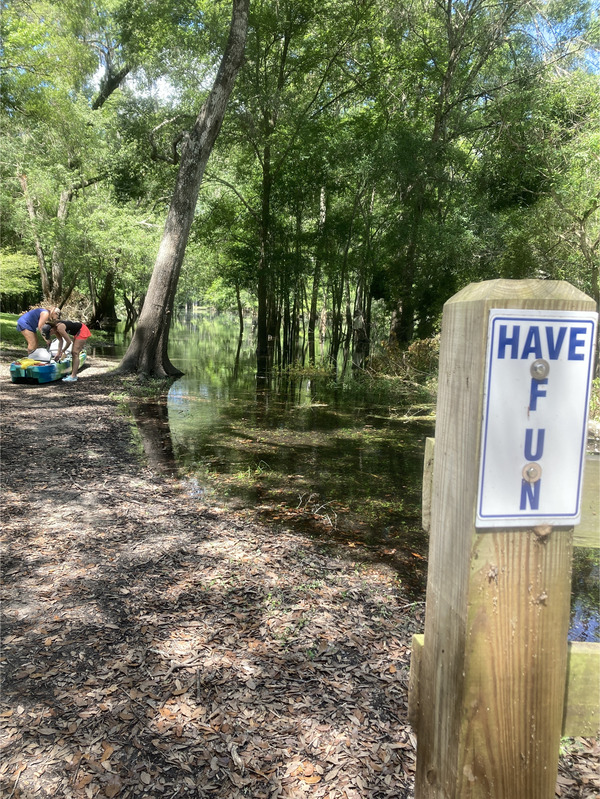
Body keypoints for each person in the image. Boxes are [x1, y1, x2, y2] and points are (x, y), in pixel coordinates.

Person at [47, 318, 92, 382]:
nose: (50, 335)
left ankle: (73, 376)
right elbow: (60, 341)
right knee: (73, 352)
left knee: (75, 353)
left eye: (49, 334)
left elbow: (68, 342)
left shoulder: (59, 328)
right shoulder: (55, 330)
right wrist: (58, 353)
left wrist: (62, 351)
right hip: (77, 332)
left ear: (51, 330)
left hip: (82, 330)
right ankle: (73, 375)